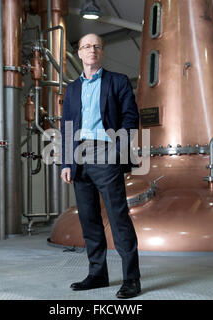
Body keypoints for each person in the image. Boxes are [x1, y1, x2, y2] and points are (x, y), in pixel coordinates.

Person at [60, 33, 141, 299]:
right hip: (79, 157)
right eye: (86, 46)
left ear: (102, 52)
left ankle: (131, 279)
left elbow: (130, 118)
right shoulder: (71, 89)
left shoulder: (117, 81)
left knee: (118, 217)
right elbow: (67, 128)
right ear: (80, 53)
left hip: (107, 152)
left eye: (96, 46)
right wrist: (66, 162)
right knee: (89, 219)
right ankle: (98, 274)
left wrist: (117, 152)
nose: (91, 50)